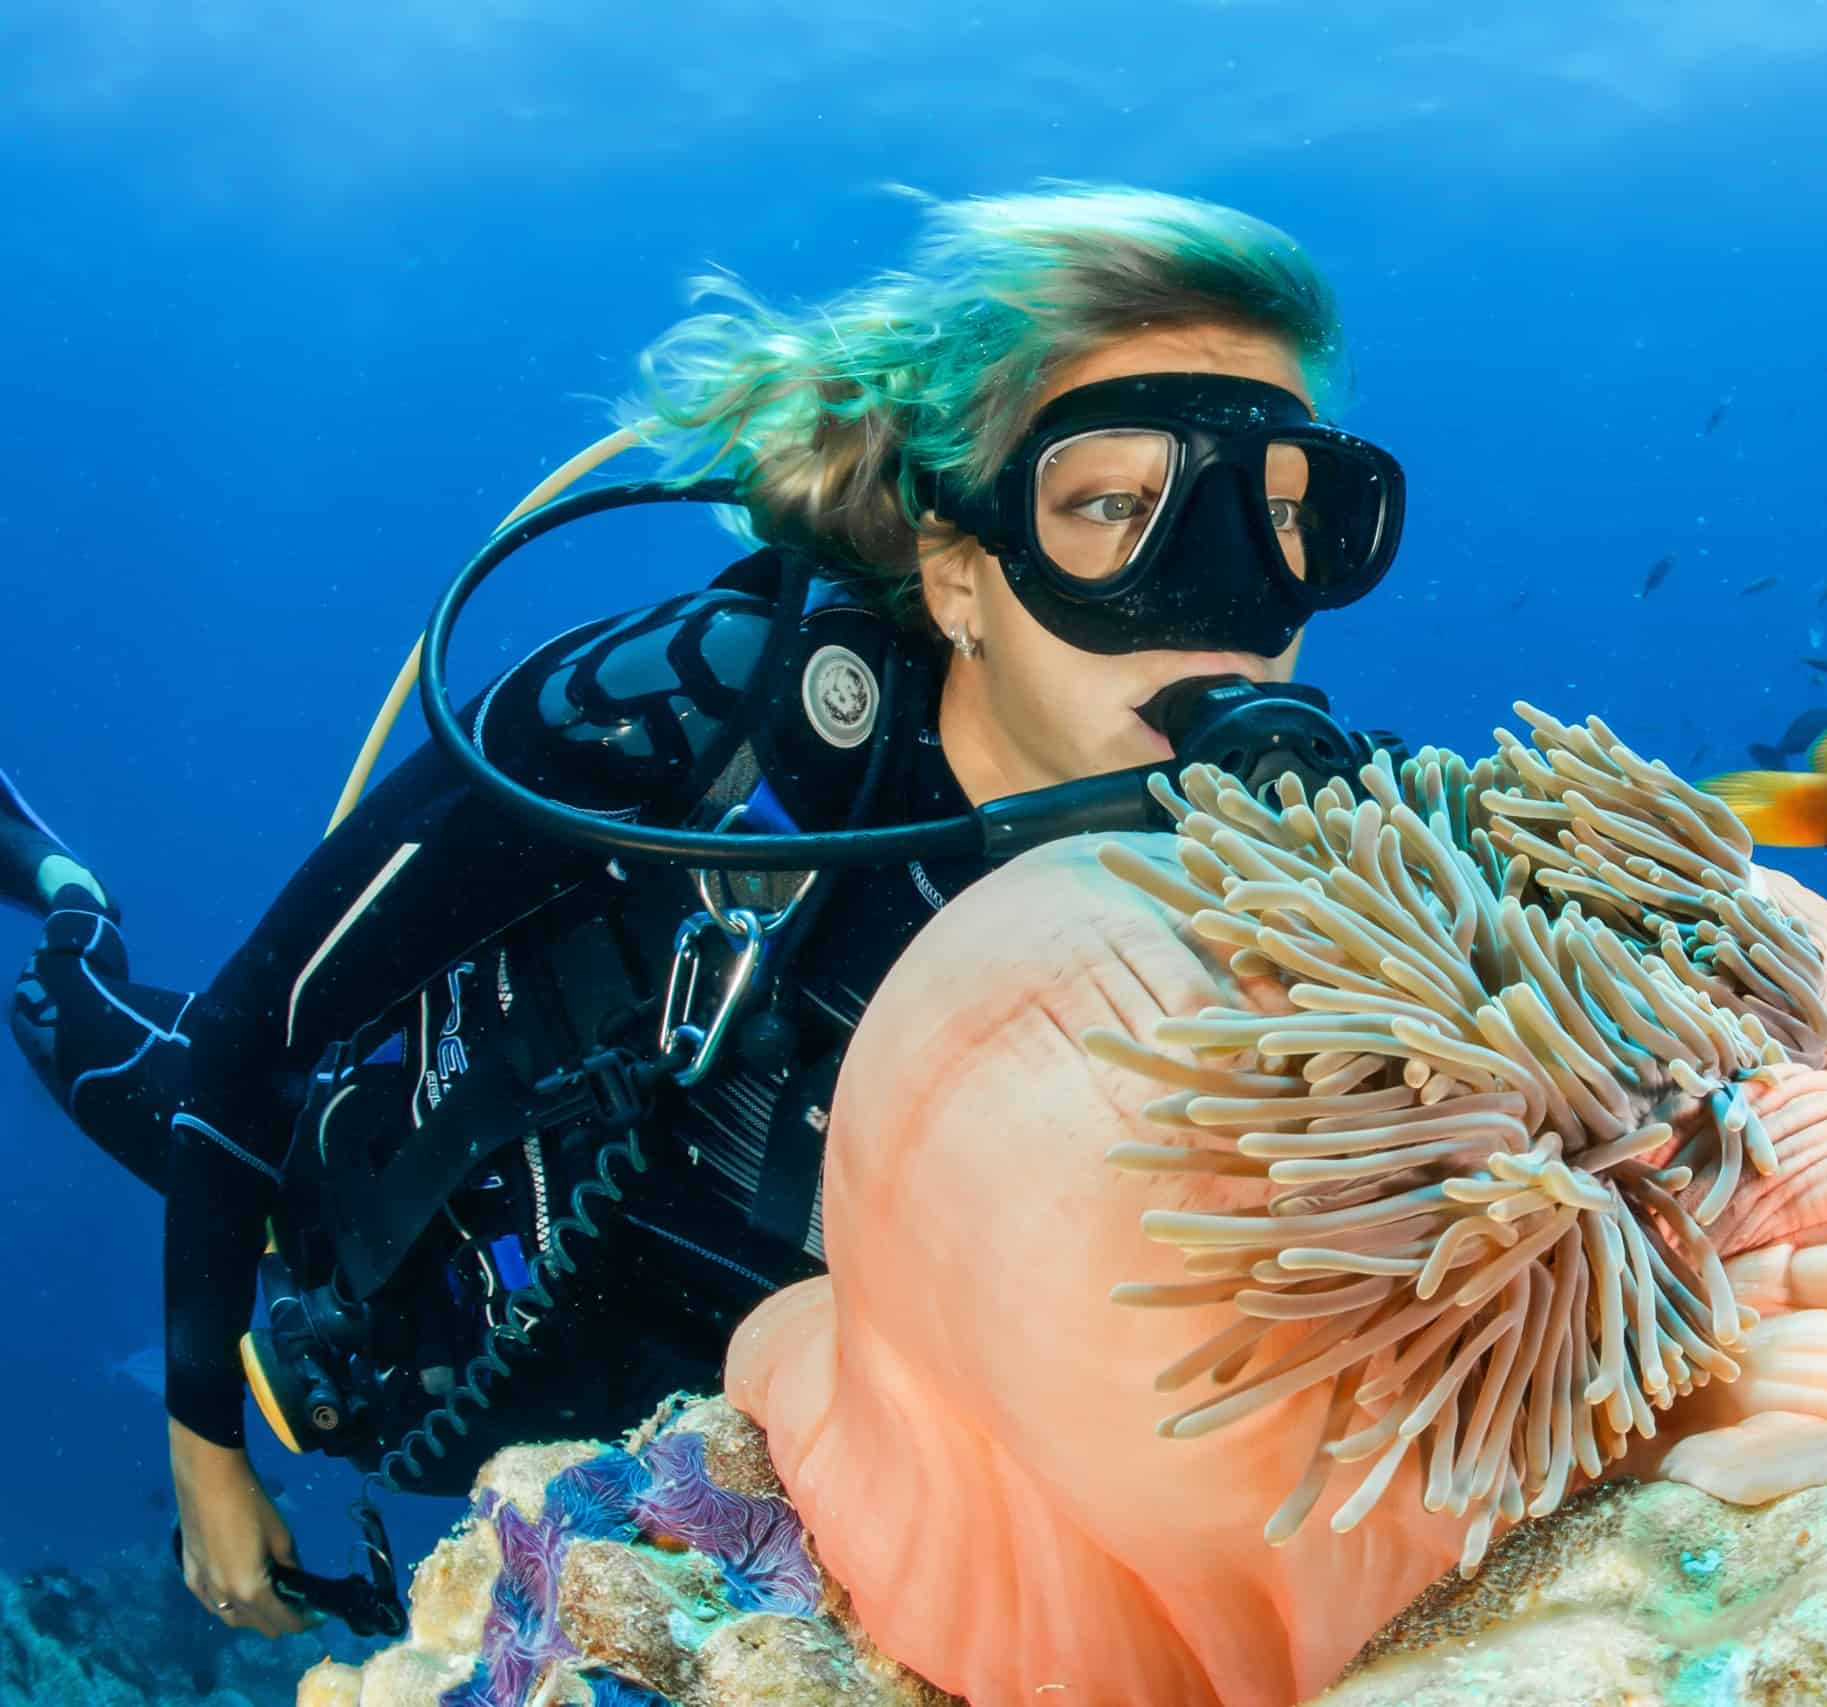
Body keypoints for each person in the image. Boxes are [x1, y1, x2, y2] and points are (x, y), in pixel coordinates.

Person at [3, 182, 1406, 1639]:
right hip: (377, 1218)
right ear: (957, 569)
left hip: (724, 1424)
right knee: (104, 1043)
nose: (1233, 598)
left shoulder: (1282, 875)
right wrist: (205, 1455)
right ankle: (56, 888)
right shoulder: (681, 718)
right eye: (1116, 507)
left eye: (1293, 520)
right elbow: (253, 1028)